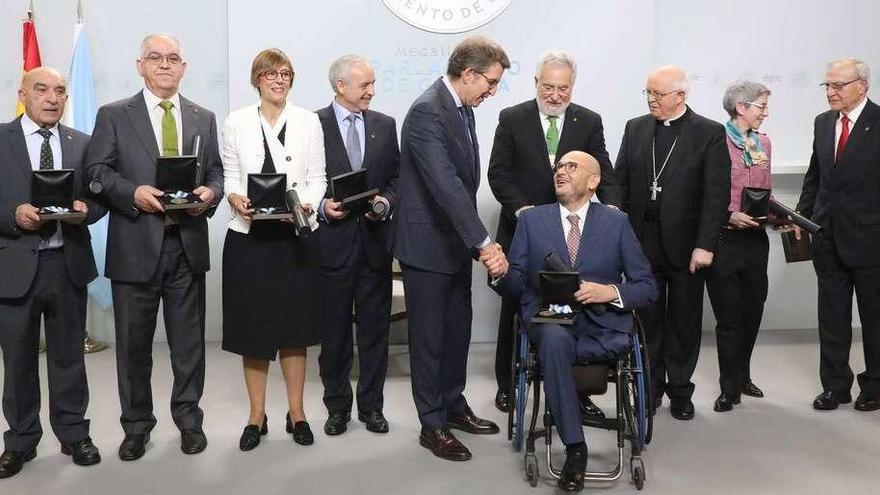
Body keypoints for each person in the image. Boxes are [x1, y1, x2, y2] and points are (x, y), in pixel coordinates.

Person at [84, 33, 224, 460]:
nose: (165, 64)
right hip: (135, 246)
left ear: (184, 67)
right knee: (133, 347)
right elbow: (97, 171)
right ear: (139, 65)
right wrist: (131, 193)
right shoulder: (114, 115)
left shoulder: (203, 116)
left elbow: (217, 172)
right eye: (155, 57)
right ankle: (137, 427)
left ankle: (189, 422)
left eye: (174, 58)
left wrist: (210, 195)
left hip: (186, 246)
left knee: (188, 347)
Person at [492, 150, 657, 493]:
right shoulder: (532, 221)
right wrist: (501, 273)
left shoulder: (616, 223)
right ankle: (575, 447)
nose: (561, 172)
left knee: (562, 340)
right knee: (552, 339)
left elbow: (647, 287)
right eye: (558, 167)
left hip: (603, 321)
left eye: (571, 167)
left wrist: (608, 291)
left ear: (594, 181)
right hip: (552, 315)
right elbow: (517, 284)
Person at [391, 36, 510, 462]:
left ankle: (454, 405)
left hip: (453, 245)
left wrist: (472, 242)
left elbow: (463, 182)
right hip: (426, 247)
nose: (492, 92)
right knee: (429, 338)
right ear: (469, 74)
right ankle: (432, 424)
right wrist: (484, 243)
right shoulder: (427, 112)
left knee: (457, 331)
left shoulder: (461, 108)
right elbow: (446, 186)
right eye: (490, 83)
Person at [487, 50, 616, 415]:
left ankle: (577, 391)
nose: (555, 95)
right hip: (524, 230)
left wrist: (613, 212)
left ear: (572, 87)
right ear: (536, 84)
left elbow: (602, 171)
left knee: (576, 309)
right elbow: (498, 174)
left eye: (563, 88)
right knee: (515, 307)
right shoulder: (512, 118)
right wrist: (523, 210)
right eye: (548, 87)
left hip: (575, 233)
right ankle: (508, 385)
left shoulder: (588, 121)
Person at [604, 66, 730, 420]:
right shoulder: (636, 128)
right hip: (643, 239)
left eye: (658, 94)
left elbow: (715, 195)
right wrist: (615, 218)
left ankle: (680, 390)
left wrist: (706, 244)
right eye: (647, 93)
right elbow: (619, 178)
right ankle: (650, 386)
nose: (651, 100)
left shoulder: (709, 133)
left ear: (681, 96)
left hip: (689, 244)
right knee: (647, 317)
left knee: (685, 319)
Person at [0, 67, 106, 478]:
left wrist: (86, 211)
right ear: (23, 93)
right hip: (15, 268)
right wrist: (12, 216)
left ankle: (74, 433)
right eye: (42, 89)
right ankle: (20, 442)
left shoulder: (81, 144)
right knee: (19, 361)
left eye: (60, 91)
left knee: (68, 358)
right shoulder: (2, 140)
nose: (52, 97)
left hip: (67, 264)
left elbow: (98, 198)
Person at [222, 48, 326, 450]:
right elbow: (231, 174)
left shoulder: (308, 121)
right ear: (257, 79)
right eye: (270, 73)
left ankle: (297, 413)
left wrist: (306, 204)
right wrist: (234, 198)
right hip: (249, 240)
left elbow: (317, 177)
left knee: (295, 330)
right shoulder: (236, 122)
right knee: (253, 331)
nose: (278, 80)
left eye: (285, 73)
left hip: (295, 238)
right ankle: (256, 416)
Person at [316, 55, 399, 436]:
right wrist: (321, 207)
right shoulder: (311, 124)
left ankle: (372, 407)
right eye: (364, 84)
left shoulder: (385, 124)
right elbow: (301, 179)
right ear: (340, 86)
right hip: (331, 247)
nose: (371, 91)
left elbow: (397, 179)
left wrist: (385, 203)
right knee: (333, 334)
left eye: (373, 83)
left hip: (374, 247)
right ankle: (337, 407)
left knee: (374, 333)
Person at [797, 58, 880, 412]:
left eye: (838, 85)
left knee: (874, 318)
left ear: (862, 85)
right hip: (827, 236)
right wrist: (802, 215)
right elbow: (816, 175)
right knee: (831, 316)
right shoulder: (823, 122)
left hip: (870, 238)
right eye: (827, 86)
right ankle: (835, 385)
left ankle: (874, 386)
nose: (831, 92)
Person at [706, 81, 774, 412]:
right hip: (724, 238)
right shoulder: (715, 142)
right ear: (741, 107)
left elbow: (766, 191)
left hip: (756, 239)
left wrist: (779, 216)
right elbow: (703, 193)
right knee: (729, 317)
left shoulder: (764, 142)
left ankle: (742, 374)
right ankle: (728, 388)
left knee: (753, 310)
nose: (766, 112)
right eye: (761, 106)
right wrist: (727, 215)